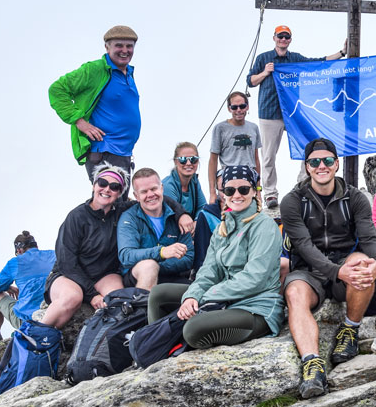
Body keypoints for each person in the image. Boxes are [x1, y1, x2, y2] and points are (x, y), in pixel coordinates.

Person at [280, 138, 376, 399]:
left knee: (363, 264)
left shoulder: (355, 198)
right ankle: (313, 365)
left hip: (345, 261)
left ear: (336, 164)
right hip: (308, 268)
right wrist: (335, 272)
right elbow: (304, 246)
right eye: (315, 162)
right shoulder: (292, 201)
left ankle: (350, 330)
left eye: (327, 160)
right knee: (294, 293)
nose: (322, 166)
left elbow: (369, 239)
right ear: (307, 167)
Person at [147, 166, 285, 350]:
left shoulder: (264, 226)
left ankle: (171, 346)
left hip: (255, 308)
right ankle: (156, 350)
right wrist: (191, 296)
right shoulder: (223, 227)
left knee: (193, 329)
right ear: (223, 193)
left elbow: (255, 279)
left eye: (243, 189)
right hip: (224, 299)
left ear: (253, 190)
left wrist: (206, 296)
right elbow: (208, 271)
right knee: (158, 295)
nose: (237, 195)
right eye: (230, 190)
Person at [40, 165, 193, 329]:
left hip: (103, 275)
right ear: (94, 185)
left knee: (119, 301)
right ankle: (35, 335)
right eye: (102, 183)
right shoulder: (77, 217)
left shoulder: (121, 210)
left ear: (120, 193)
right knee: (72, 297)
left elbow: (154, 197)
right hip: (69, 275)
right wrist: (92, 295)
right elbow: (66, 263)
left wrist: (181, 213)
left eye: (114, 187)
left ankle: (127, 337)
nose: (107, 189)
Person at [246, 26, 345, 209]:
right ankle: (270, 194)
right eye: (280, 36)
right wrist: (265, 72)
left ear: (290, 39)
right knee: (268, 156)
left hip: (292, 112)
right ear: (274, 38)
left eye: (286, 36)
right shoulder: (263, 58)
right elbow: (250, 81)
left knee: (311, 145)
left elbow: (318, 63)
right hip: (269, 113)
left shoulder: (295, 58)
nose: (283, 39)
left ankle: (303, 183)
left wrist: (342, 52)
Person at [48, 26, 141, 190]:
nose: (125, 50)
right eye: (119, 45)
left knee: (119, 208)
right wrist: (79, 121)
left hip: (123, 153)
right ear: (107, 47)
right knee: (110, 201)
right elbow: (56, 90)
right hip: (105, 151)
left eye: (129, 46)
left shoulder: (128, 72)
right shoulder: (95, 70)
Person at [118, 168, 195, 290]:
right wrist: (161, 252)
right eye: (144, 192)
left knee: (199, 293)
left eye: (154, 189)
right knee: (149, 266)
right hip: (138, 277)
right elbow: (126, 256)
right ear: (136, 196)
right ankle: (142, 308)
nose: (150, 195)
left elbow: (189, 257)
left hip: (171, 276)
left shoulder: (178, 216)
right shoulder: (129, 217)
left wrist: (160, 265)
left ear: (162, 188)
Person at [0, 231, 56, 346]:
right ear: (36, 246)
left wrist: (6, 286)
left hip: (30, 320)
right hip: (58, 311)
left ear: (19, 250)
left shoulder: (16, 262)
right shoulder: (54, 255)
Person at [208, 92, 261, 204]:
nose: (239, 110)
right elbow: (213, 160)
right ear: (229, 109)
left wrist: (259, 190)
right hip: (228, 174)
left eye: (242, 106)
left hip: (248, 173)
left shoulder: (253, 128)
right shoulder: (220, 128)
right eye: (234, 107)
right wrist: (212, 192)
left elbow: (256, 159)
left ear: (247, 106)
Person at [163, 142, 207, 219]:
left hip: (191, 226)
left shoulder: (194, 181)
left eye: (193, 159)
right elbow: (173, 216)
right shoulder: (167, 186)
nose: (189, 163)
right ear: (175, 161)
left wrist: (197, 221)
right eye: (183, 159)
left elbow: (203, 207)